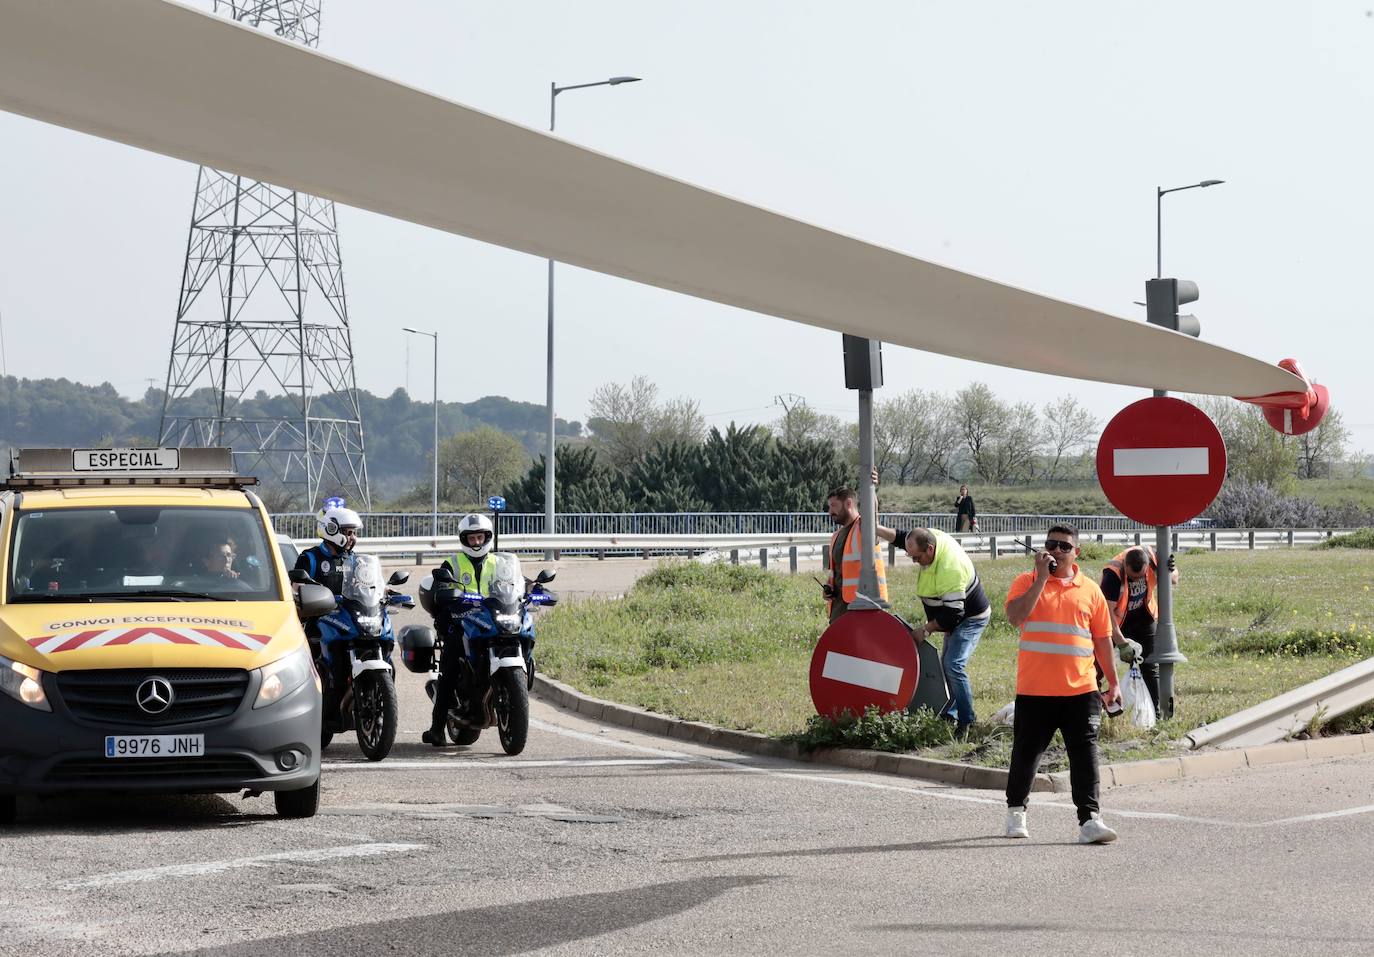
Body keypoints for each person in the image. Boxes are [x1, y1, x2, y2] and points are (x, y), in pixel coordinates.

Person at [1003, 524, 1120, 845]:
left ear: (1076, 552)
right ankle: (1016, 811)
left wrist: (1112, 681)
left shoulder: (1091, 590)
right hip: (1034, 689)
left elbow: (1102, 640)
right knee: (1026, 755)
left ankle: (1090, 820)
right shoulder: (1026, 581)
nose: (1056, 551)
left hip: (1081, 690)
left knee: (1085, 756)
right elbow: (1015, 616)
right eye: (1051, 545)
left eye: (1063, 547)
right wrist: (1041, 579)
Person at [876, 523, 989, 738]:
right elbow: (903, 537)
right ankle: (952, 712)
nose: (914, 561)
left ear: (929, 549)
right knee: (947, 666)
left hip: (970, 617)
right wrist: (878, 529)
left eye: (916, 558)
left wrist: (926, 629)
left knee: (953, 665)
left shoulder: (950, 570)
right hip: (953, 614)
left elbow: (954, 615)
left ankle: (967, 722)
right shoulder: (928, 540)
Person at [423, 513, 496, 746]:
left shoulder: (499, 563)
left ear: (487, 538)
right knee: (451, 667)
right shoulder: (452, 564)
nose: (476, 542)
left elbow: (515, 582)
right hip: (462, 622)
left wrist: (530, 587)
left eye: (480, 538)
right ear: (464, 540)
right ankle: (436, 728)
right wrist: (446, 590)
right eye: (472, 538)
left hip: (491, 622)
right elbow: (441, 586)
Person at [295, 498, 362, 730]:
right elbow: (296, 586)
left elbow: (366, 584)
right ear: (331, 530)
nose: (352, 537)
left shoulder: (355, 559)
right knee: (311, 669)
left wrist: (384, 589)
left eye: (354, 533)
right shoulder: (311, 557)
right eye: (348, 532)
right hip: (319, 623)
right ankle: (314, 715)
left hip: (350, 622)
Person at [1099, 545, 1179, 713]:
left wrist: (1170, 570)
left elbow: (1174, 580)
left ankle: (1156, 713)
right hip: (1119, 622)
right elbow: (1107, 615)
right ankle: (1092, 707)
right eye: (1131, 577)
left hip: (1144, 617)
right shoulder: (1112, 575)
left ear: (1147, 565)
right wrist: (1121, 643)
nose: (1136, 581)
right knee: (1099, 666)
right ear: (1125, 567)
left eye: (1140, 576)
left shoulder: (1153, 556)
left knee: (1149, 665)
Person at [820, 485, 888, 623]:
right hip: (839, 610)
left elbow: (872, 513)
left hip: (863, 608)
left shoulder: (863, 528)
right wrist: (829, 588)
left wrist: (871, 485)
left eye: (833, 506)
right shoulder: (836, 536)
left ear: (849, 503)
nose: (830, 512)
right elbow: (838, 571)